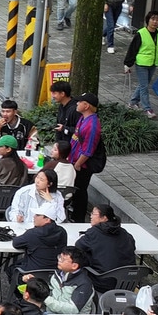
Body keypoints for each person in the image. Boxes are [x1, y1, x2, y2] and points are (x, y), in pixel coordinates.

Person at [75, 202, 136, 291]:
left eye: (93, 214)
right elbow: (132, 246)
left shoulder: (93, 233)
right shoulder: (124, 233)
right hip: (128, 282)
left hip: (103, 282)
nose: (90, 216)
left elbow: (78, 246)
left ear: (104, 218)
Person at [123, 10, 158, 116]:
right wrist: (127, 64)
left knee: (143, 85)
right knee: (144, 86)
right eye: (153, 19)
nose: (155, 22)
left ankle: (132, 103)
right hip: (142, 64)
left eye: (157, 20)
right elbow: (133, 49)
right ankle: (147, 108)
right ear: (148, 20)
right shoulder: (141, 33)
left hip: (153, 63)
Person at [67, 93, 106, 222]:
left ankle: (79, 218)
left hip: (82, 165)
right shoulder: (83, 118)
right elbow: (76, 138)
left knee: (80, 190)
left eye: (79, 102)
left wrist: (78, 164)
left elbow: (88, 150)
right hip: (74, 161)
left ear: (86, 105)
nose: (76, 104)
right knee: (76, 190)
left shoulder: (92, 125)